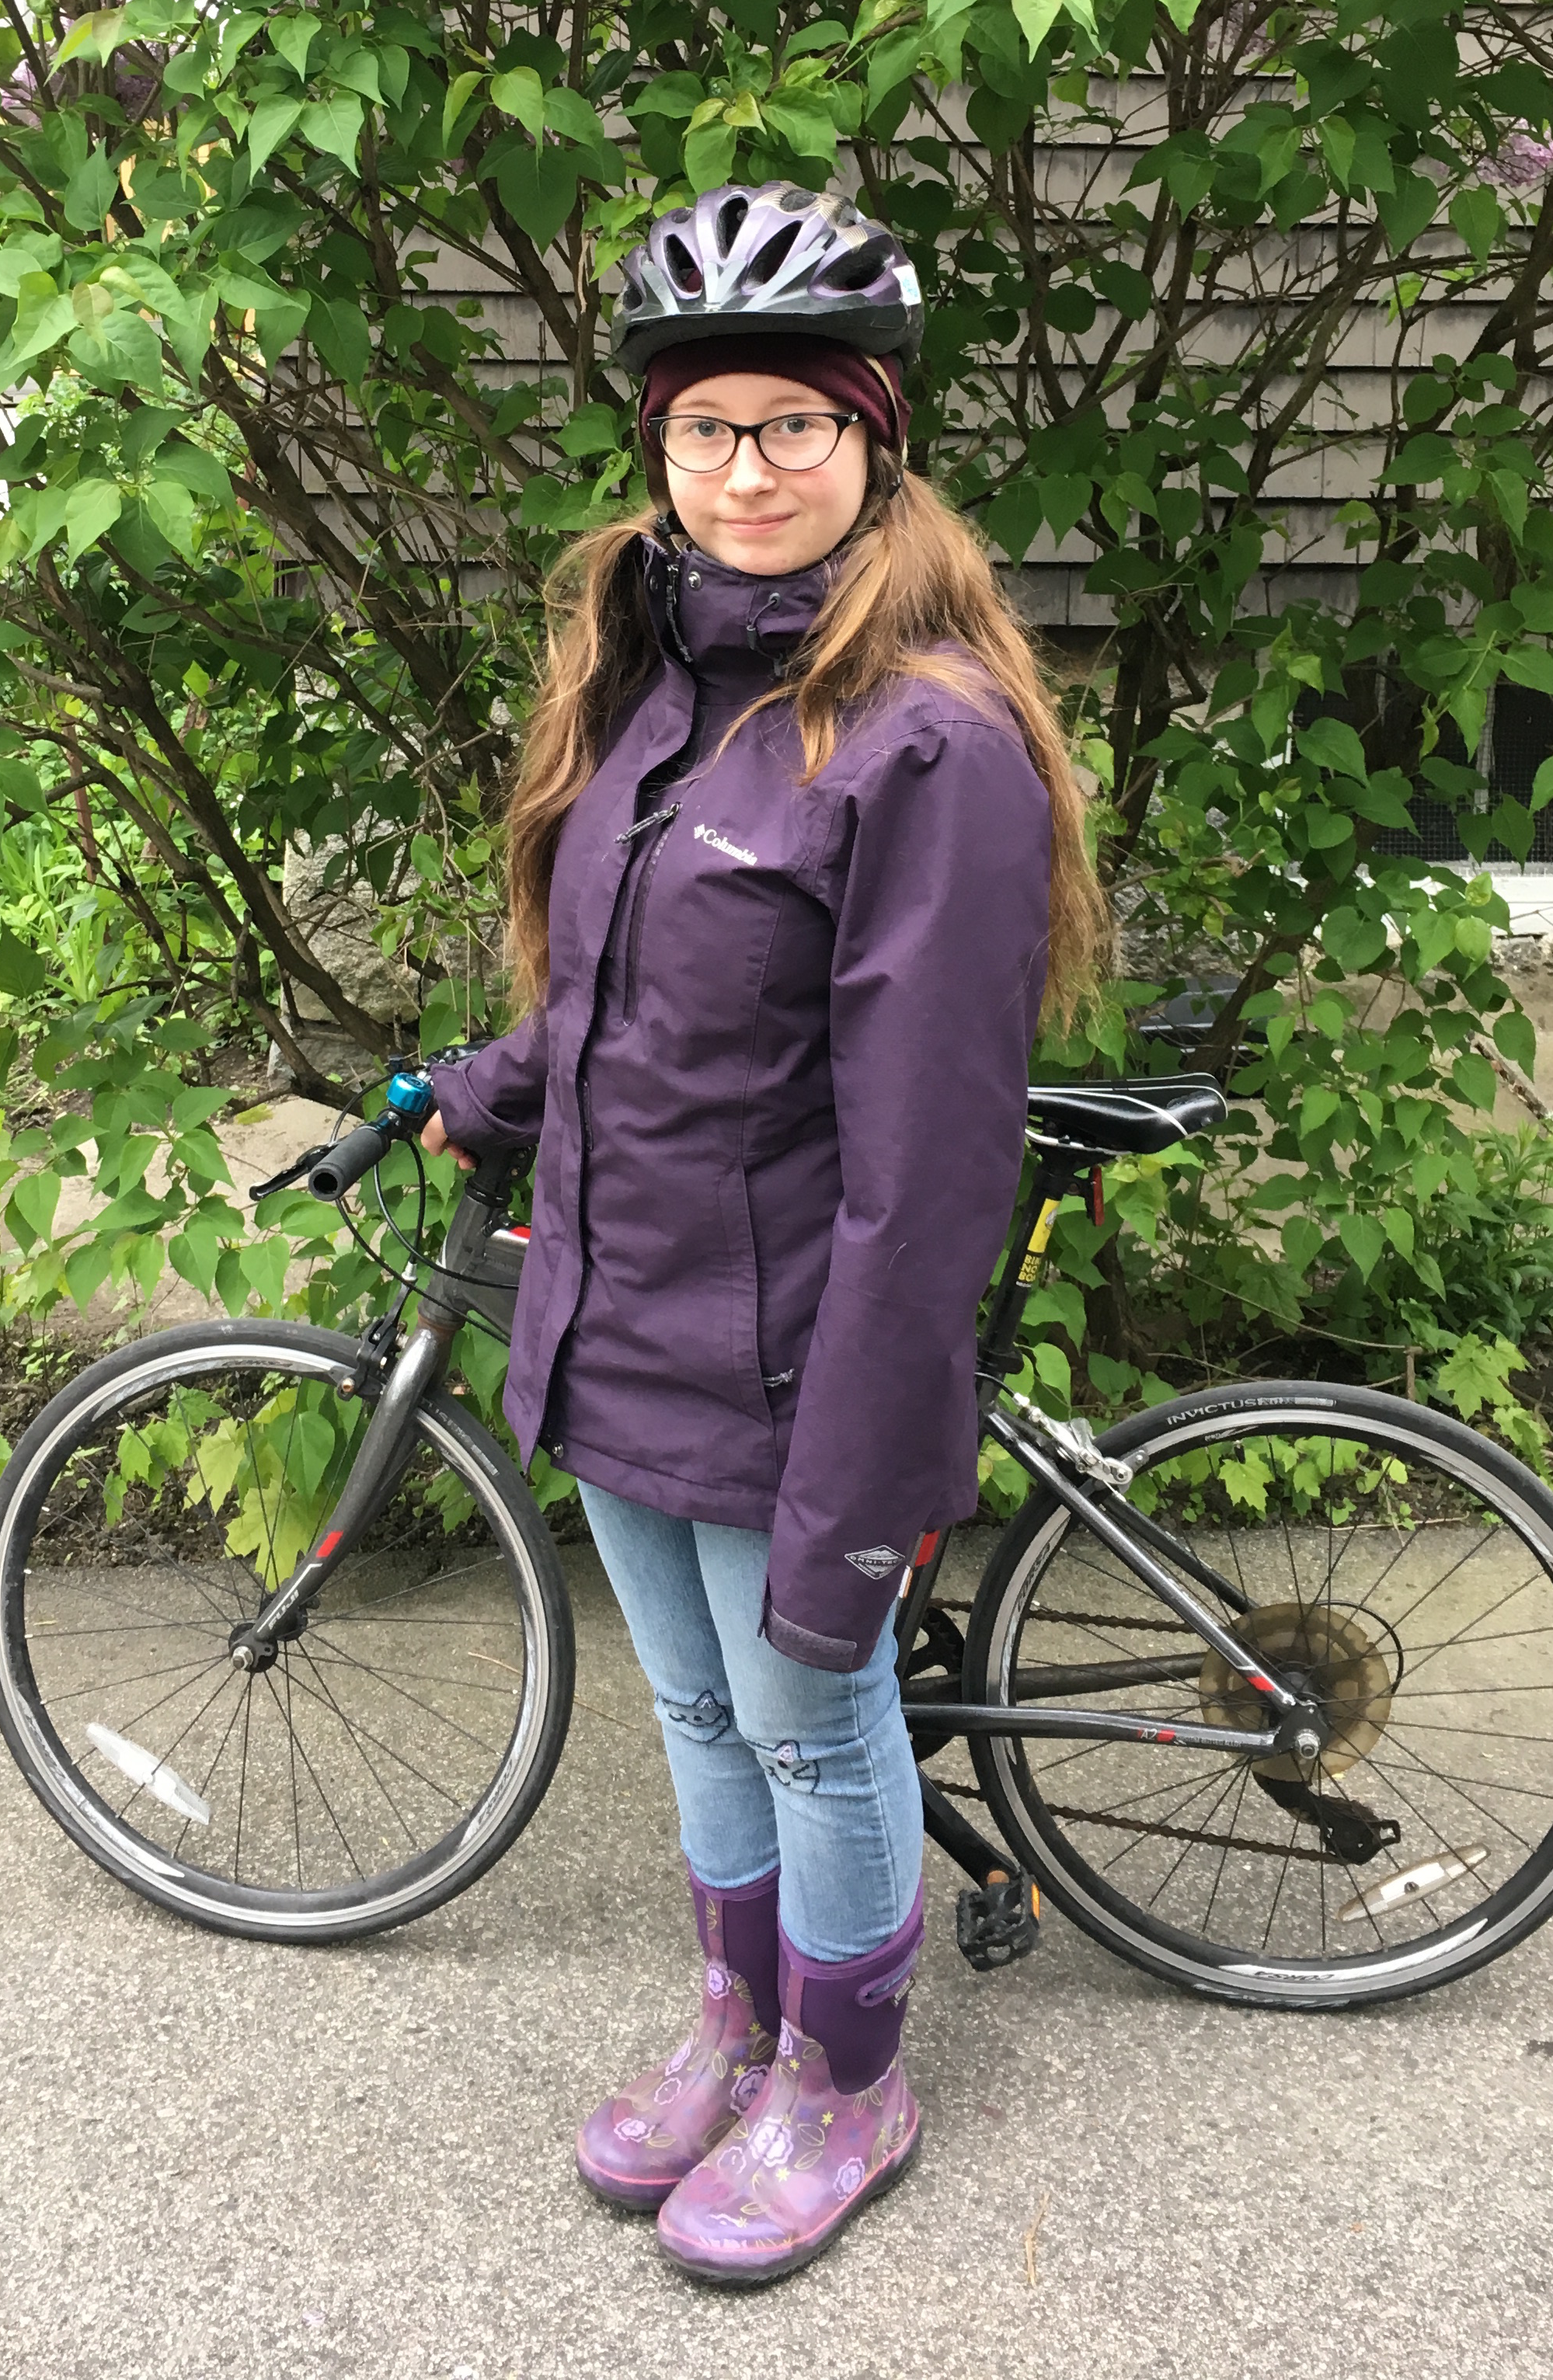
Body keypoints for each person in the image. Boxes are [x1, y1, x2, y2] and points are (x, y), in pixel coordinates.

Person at [420, 182, 1106, 2285]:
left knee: (812, 1718)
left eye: (791, 427)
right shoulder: (654, 678)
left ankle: (851, 2080)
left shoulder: (927, 742)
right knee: (701, 1721)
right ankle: (741, 2026)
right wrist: (484, 1090)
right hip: (618, 1321)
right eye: (706, 424)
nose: (744, 469)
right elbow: (630, 1006)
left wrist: (873, 1466)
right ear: (659, 443)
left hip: (801, 1355)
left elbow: (925, 1180)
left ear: (870, 443)